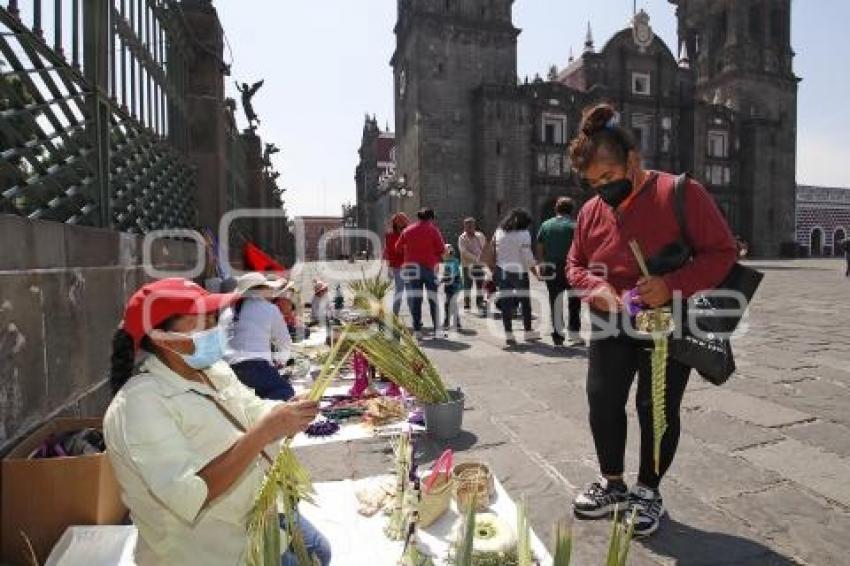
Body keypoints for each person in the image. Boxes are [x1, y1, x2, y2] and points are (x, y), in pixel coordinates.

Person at [566, 103, 737, 536]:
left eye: (608, 177)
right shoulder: (590, 212)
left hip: (666, 317)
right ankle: (614, 484)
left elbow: (723, 252)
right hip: (611, 319)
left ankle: (648, 489)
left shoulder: (680, 192)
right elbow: (574, 263)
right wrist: (596, 289)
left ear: (633, 160)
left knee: (655, 406)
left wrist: (671, 285)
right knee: (601, 399)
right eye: (592, 183)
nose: (602, 189)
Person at [104, 278, 330, 565]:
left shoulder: (214, 369)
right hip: (208, 551)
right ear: (161, 337)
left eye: (213, 319)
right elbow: (188, 493)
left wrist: (287, 413)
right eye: (200, 323)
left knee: (319, 551)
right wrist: (263, 432)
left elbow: (252, 408)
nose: (214, 330)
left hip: (254, 514)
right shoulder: (140, 405)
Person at [221, 272, 295, 401]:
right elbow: (284, 341)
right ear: (261, 289)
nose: (271, 291)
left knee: (249, 397)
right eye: (268, 288)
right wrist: (281, 361)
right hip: (255, 366)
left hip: (229, 369)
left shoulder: (228, 311)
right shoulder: (269, 308)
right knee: (286, 392)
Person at [491, 208, 540, 346]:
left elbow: (494, 250)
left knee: (506, 303)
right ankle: (528, 332)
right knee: (525, 303)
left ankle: (509, 334)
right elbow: (527, 256)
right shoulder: (524, 234)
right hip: (519, 272)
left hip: (502, 270)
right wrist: (535, 272)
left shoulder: (499, 231)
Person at [537, 197, 582, 346]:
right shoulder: (576, 226)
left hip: (551, 266)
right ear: (572, 210)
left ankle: (558, 336)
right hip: (572, 267)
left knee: (555, 302)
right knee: (574, 302)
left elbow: (540, 247)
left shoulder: (545, 225)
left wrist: (542, 263)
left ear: (556, 209)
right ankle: (574, 335)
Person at [396, 207, 446, 338]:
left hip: (411, 268)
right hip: (429, 268)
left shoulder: (407, 230)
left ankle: (417, 330)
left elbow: (398, 248)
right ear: (431, 217)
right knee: (433, 299)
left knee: (416, 299)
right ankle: (437, 330)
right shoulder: (433, 230)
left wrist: (410, 251)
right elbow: (441, 249)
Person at [458, 217, 487, 314]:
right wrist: (476, 258)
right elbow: (463, 252)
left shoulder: (480, 235)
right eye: (467, 225)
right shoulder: (462, 238)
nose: (469, 227)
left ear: (474, 225)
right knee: (467, 285)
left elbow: (485, 247)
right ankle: (467, 304)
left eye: (471, 225)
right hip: (467, 265)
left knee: (480, 284)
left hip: (479, 265)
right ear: (464, 226)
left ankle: (480, 303)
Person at [383, 212, 411, 316]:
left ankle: (415, 317)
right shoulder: (390, 235)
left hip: (408, 266)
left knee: (410, 292)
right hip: (398, 266)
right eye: (400, 223)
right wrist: (388, 266)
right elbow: (390, 251)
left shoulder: (408, 233)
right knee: (400, 291)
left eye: (404, 223)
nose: (402, 225)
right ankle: (395, 315)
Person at [440, 244, 463, 332]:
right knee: (450, 304)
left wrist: (441, 280)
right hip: (449, 287)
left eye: (443, 254)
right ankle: (454, 323)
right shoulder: (447, 262)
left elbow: (452, 275)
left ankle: (453, 323)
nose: (442, 256)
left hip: (454, 287)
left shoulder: (454, 262)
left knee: (450, 304)